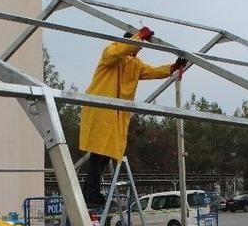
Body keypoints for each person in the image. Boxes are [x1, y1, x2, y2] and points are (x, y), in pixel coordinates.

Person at [79, 27, 187, 208]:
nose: (138, 50)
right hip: (101, 110)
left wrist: (172, 68)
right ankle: (90, 195)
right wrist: (138, 38)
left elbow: (153, 71)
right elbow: (119, 52)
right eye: (136, 45)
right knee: (98, 155)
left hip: (116, 114)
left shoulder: (135, 65)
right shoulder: (111, 52)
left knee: (104, 156)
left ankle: (91, 194)